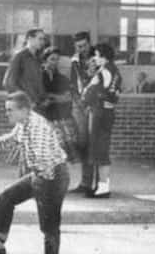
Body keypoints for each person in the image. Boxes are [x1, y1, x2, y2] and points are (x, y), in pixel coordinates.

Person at [0, 91, 69, 254]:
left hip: (52, 176)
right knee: (6, 197)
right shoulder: (24, 123)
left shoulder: (38, 127)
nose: (7, 114)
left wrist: (42, 188)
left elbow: (45, 161)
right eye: (7, 110)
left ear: (24, 110)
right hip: (40, 173)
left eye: (10, 110)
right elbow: (10, 140)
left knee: (49, 224)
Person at [82, 43, 122, 198]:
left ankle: (103, 188)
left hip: (99, 112)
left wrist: (88, 94)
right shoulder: (115, 71)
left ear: (105, 57)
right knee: (101, 149)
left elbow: (92, 92)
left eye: (98, 55)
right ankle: (101, 186)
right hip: (107, 111)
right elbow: (115, 94)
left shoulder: (104, 72)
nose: (95, 58)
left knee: (100, 150)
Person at [69, 31, 96, 194]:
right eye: (79, 46)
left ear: (89, 44)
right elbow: (73, 84)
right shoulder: (75, 60)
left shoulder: (98, 58)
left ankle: (97, 184)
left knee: (95, 144)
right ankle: (85, 182)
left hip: (94, 105)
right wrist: (78, 102)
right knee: (83, 143)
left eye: (85, 45)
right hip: (79, 106)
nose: (82, 49)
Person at [41, 46, 76, 162]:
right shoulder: (38, 77)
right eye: (52, 59)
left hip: (58, 116)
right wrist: (56, 97)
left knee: (63, 146)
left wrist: (51, 97)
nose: (55, 62)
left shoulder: (61, 78)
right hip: (42, 117)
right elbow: (38, 97)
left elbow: (68, 98)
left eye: (57, 59)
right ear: (45, 60)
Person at [2, 28, 47, 110]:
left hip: (38, 106)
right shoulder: (19, 57)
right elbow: (9, 82)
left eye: (43, 39)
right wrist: (24, 101)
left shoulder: (37, 59)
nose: (42, 42)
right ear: (30, 39)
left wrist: (42, 99)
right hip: (25, 107)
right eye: (40, 39)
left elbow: (37, 83)